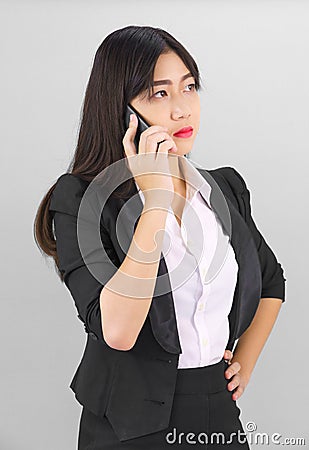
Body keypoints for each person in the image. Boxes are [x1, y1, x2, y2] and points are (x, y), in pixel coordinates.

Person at [34, 25, 286, 449]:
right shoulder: (81, 198)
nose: (183, 109)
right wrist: (153, 204)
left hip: (216, 411)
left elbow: (271, 281)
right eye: (160, 94)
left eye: (189, 88)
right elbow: (117, 331)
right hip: (130, 424)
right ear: (122, 110)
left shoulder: (223, 189)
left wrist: (245, 360)